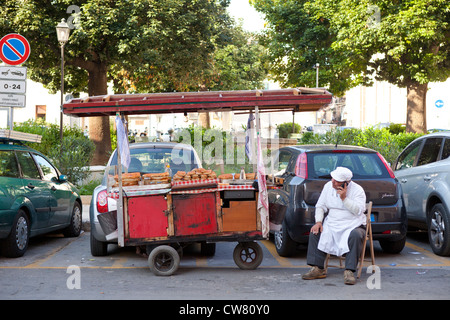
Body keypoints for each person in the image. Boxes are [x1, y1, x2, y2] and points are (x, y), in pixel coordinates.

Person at [302, 166, 366, 285]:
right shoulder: (328, 186)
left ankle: (350, 270)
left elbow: (358, 211)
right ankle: (318, 268)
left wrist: (344, 198)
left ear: (346, 183)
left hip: (353, 223)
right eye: (333, 179)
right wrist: (318, 222)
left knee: (356, 235)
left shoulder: (358, 190)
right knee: (316, 231)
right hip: (332, 222)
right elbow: (320, 205)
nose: (333, 182)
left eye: (337, 181)